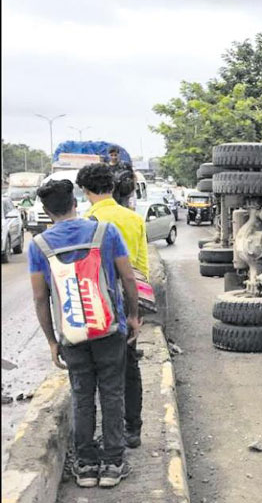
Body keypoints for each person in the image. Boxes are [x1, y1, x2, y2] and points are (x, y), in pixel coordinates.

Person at [28, 179, 140, 488]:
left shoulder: (39, 246)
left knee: (81, 395)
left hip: (72, 334)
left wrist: (52, 341)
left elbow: (40, 298)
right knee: (113, 393)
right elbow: (128, 278)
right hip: (109, 328)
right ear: (75, 202)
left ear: (47, 211)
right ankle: (114, 463)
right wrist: (132, 316)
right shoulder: (105, 232)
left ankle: (87, 466)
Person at [77, 163, 148, 449]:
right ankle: (133, 430)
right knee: (130, 368)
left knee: (99, 374)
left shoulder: (87, 221)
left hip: (98, 304)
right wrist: (136, 309)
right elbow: (141, 266)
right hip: (130, 298)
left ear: (85, 191)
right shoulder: (133, 218)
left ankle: (103, 436)